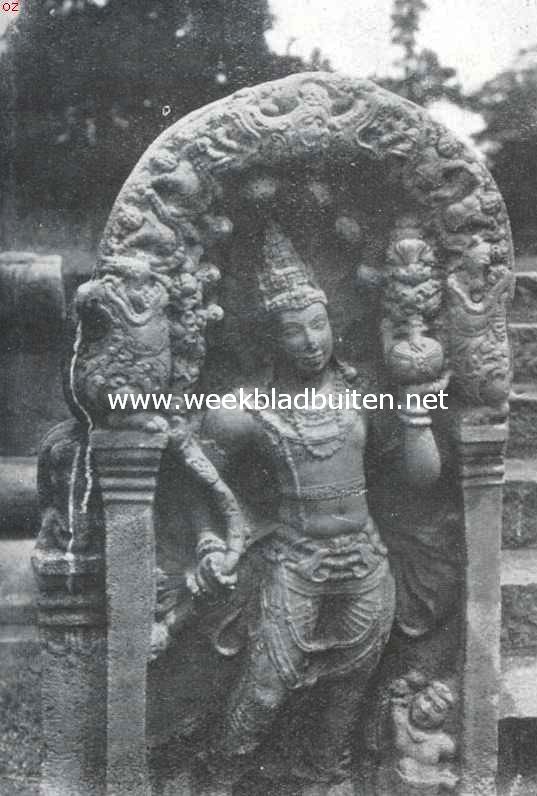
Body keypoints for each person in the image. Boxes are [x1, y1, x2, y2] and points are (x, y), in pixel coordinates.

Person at [194, 222, 443, 792]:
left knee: (350, 687)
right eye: (294, 330)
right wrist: (213, 537)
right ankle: (219, 777)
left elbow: (422, 479)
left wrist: (416, 410)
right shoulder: (246, 409)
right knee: (265, 686)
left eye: (318, 324)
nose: (311, 341)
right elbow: (198, 475)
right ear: (271, 339)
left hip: (366, 558)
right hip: (295, 559)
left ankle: (322, 776)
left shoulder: (362, 393)